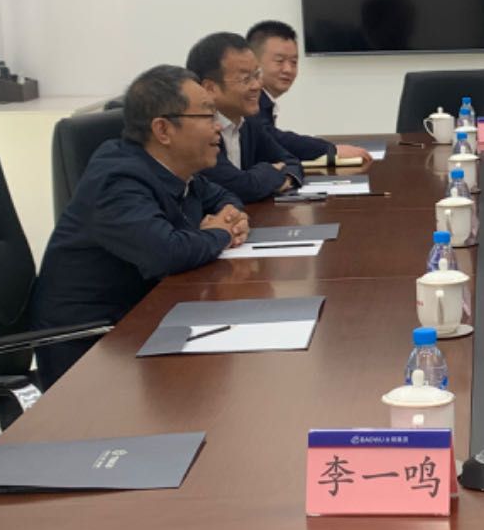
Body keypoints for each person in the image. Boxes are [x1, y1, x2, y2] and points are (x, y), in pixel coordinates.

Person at [30, 65, 249, 383]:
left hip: (143, 321)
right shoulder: (118, 180)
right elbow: (166, 253)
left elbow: (224, 197)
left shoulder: (174, 168)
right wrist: (221, 233)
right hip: (93, 350)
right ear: (163, 130)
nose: (218, 127)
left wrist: (232, 216)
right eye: (207, 115)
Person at [186, 32, 306, 202]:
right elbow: (239, 187)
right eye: (245, 79)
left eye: (256, 75)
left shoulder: (249, 122)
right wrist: (268, 173)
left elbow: (291, 162)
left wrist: (283, 178)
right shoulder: (197, 130)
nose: (257, 86)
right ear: (210, 88)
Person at [246, 20, 376, 168]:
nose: (288, 69)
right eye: (279, 61)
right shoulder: (248, 100)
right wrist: (329, 149)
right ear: (253, 62)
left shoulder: (263, 100)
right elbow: (270, 138)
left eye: (294, 62)